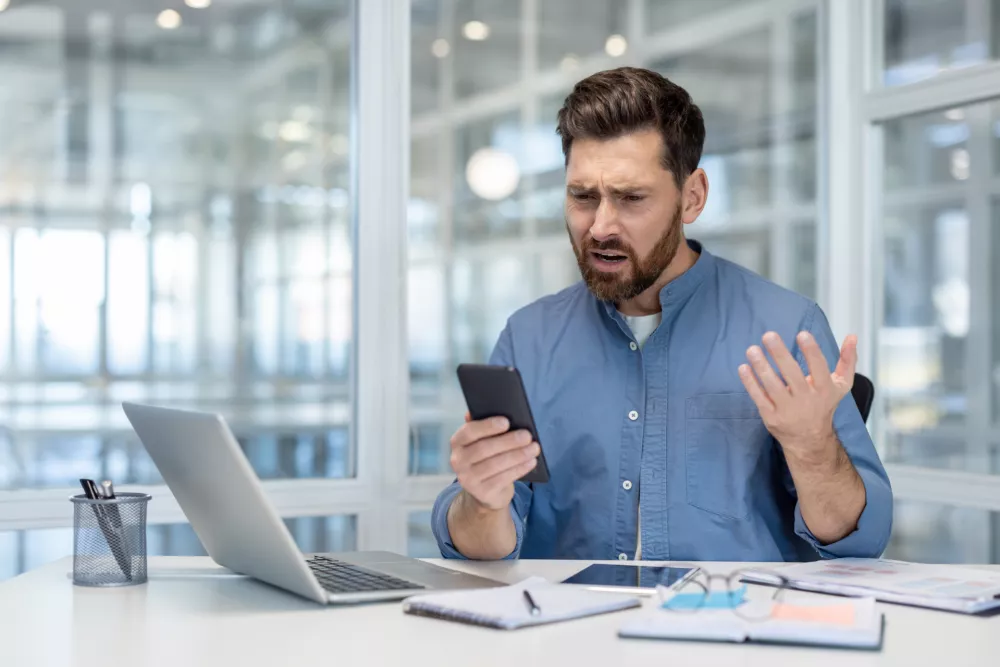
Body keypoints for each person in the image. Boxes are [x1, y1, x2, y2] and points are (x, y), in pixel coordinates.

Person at [431, 67, 892, 562]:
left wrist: (813, 449)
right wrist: (482, 503)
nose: (600, 226)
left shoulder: (786, 328)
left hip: (729, 629)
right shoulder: (529, 337)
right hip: (570, 633)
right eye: (583, 197)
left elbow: (859, 542)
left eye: (631, 198)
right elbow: (481, 551)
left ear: (692, 197)